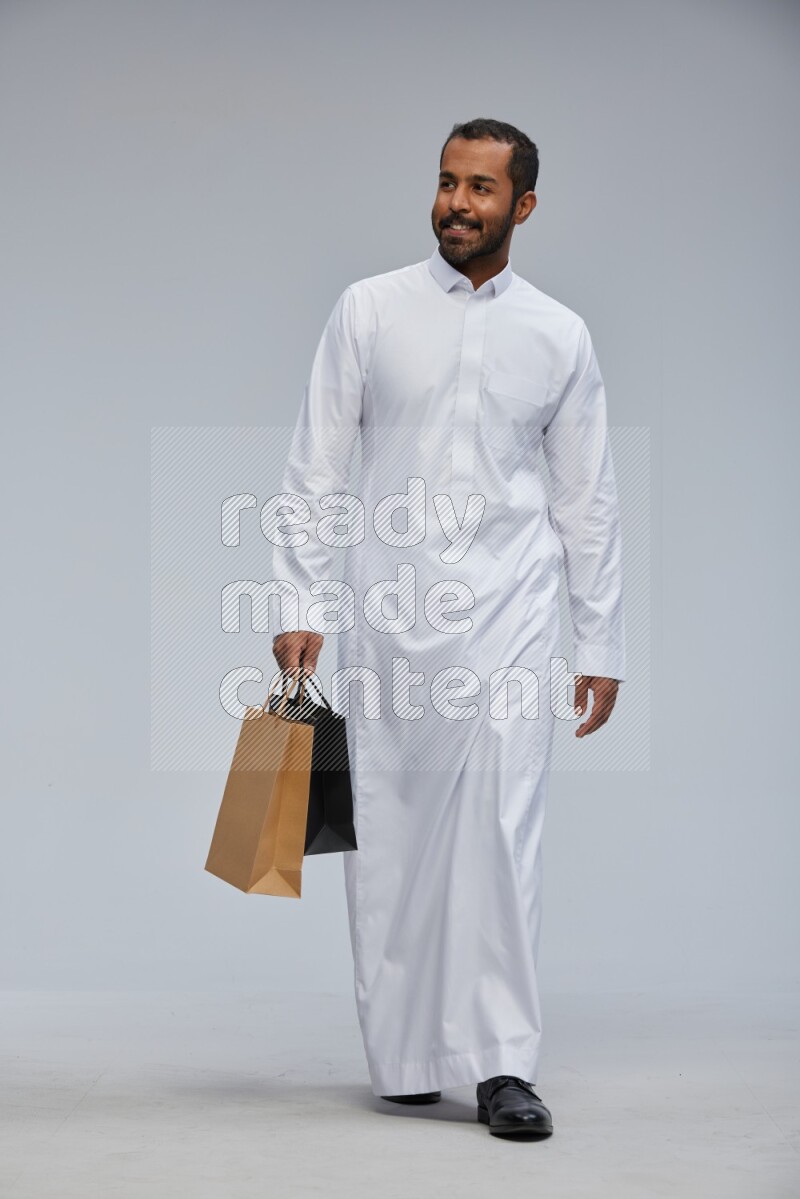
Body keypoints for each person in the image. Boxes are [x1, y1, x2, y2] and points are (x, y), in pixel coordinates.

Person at [270, 117, 626, 1139]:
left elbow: (587, 498)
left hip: (511, 615)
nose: (456, 204)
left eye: (479, 188)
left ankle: (503, 1064)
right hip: (390, 613)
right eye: (446, 182)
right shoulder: (370, 309)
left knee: (501, 835)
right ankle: (405, 1057)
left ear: (523, 205)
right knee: (389, 835)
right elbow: (315, 466)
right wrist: (298, 604)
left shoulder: (558, 335)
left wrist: (598, 641)